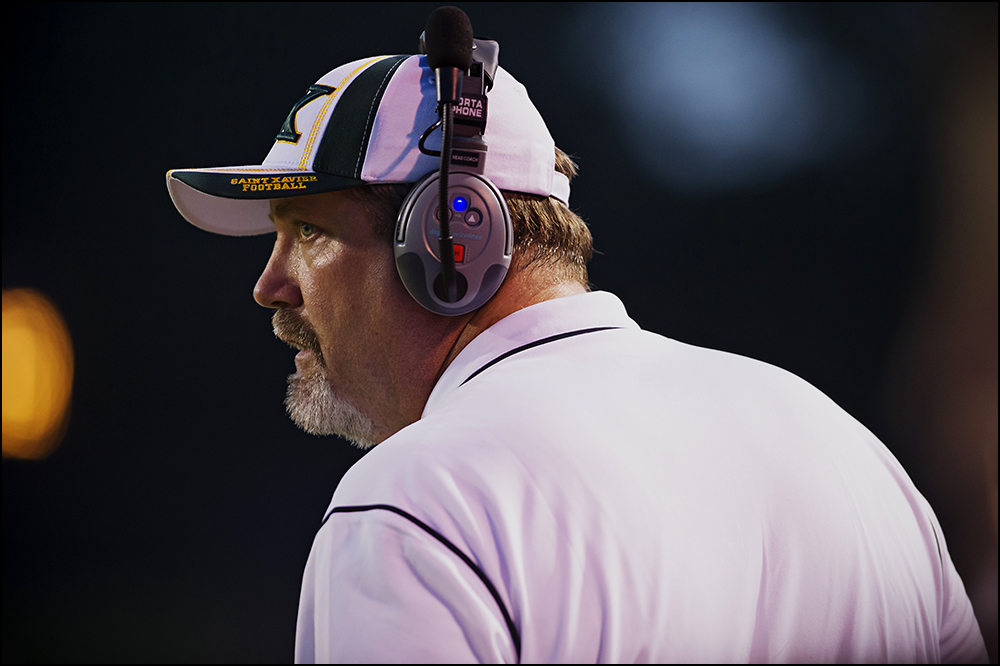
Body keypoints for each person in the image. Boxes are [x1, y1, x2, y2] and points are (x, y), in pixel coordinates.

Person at [166, 26, 989, 665]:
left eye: (308, 231)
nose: (269, 285)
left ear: (452, 241)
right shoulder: (852, 453)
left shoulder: (415, 500)